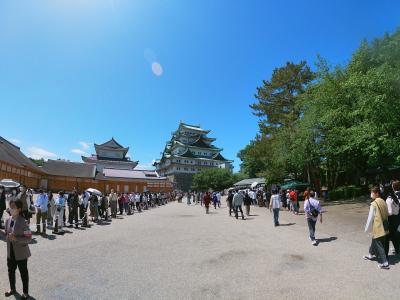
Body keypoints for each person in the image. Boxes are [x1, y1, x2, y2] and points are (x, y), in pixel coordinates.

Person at [4, 200, 32, 299]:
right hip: (10, 251)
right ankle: (12, 289)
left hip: (21, 253)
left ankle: (25, 292)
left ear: (19, 209)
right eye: (10, 207)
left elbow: (29, 238)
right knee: (10, 271)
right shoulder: (8, 220)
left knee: (23, 272)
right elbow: (6, 234)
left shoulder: (23, 221)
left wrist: (16, 238)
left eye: (13, 207)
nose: (10, 209)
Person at [364, 186, 390, 269]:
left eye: (372, 192)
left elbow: (370, 217)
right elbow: (387, 213)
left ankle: (385, 263)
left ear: (377, 193)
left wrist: (366, 228)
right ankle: (370, 254)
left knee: (379, 244)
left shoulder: (374, 204)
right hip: (384, 225)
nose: (371, 194)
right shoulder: (383, 201)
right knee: (374, 240)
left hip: (378, 226)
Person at [386, 180, 400, 255]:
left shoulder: (391, 198)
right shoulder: (395, 196)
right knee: (396, 233)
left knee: (393, 234)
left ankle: (396, 249)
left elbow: (390, 212)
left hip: (393, 218)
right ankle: (397, 249)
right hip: (397, 216)